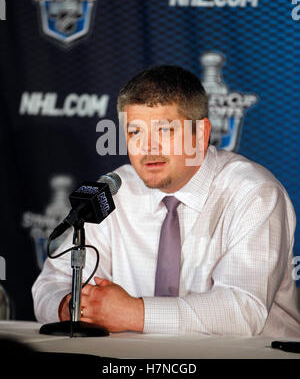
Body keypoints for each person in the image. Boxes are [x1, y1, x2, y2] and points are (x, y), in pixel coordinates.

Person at [32, 65, 300, 336]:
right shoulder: (114, 191)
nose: (148, 148)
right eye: (135, 132)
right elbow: (51, 284)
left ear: (201, 134)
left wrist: (134, 313)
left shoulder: (253, 193)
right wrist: (71, 306)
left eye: (164, 131)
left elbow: (243, 311)